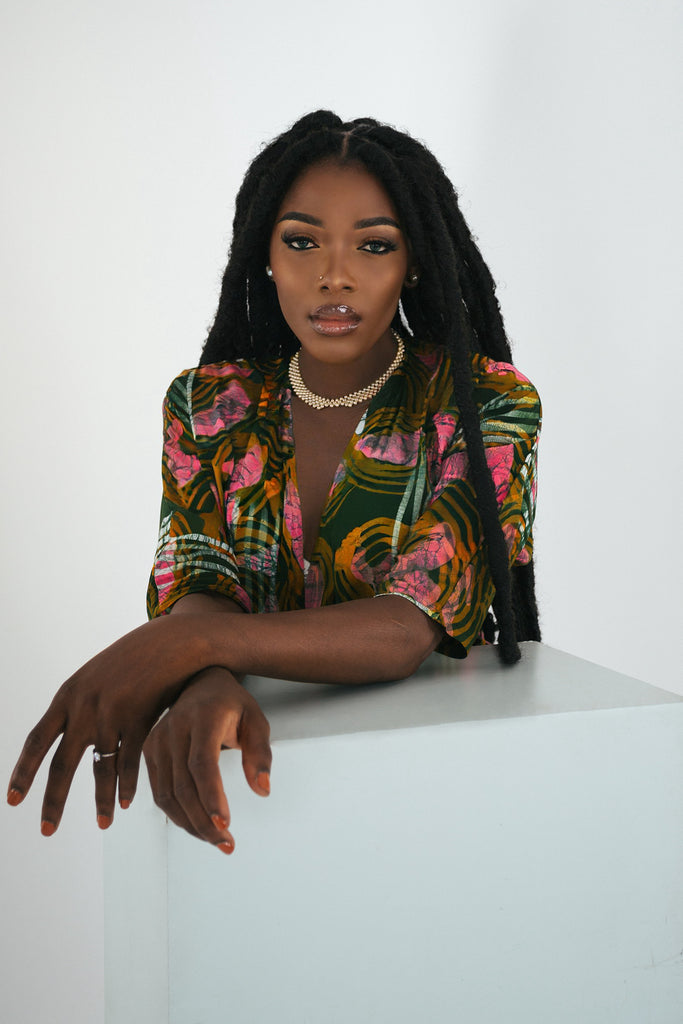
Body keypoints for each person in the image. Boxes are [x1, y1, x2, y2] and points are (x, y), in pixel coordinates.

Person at [7, 111, 541, 855]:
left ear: (413, 262)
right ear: (263, 253)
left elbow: (404, 629)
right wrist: (203, 679)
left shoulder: (485, 405)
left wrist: (177, 651)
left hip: (434, 781)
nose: (333, 275)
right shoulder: (205, 405)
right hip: (263, 790)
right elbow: (199, 575)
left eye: (374, 245)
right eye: (301, 241)